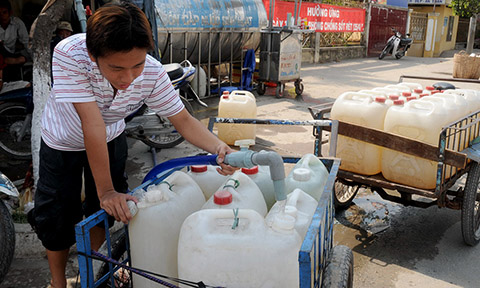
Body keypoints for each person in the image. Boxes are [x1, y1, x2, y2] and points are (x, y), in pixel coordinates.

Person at [28, 2, 236, 287]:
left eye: (136, 65)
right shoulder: (69, 54)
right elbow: (91, 123)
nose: (128, 78)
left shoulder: (151, 72)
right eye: (116, 68)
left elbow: (184, 120)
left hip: (110, 137)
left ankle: (94, 274)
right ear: (93, 55)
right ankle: (58, 282)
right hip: (63, 139)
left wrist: (219, 148)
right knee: (56, 213)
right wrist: (107, 191)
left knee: (104, 212)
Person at [0, 0, 30, 79]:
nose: (2, 16)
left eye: (4, 12)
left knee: (22, 59)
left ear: (10, 13)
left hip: (12, 55)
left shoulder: (17, 23)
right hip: (1, 56)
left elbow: (26, 42)